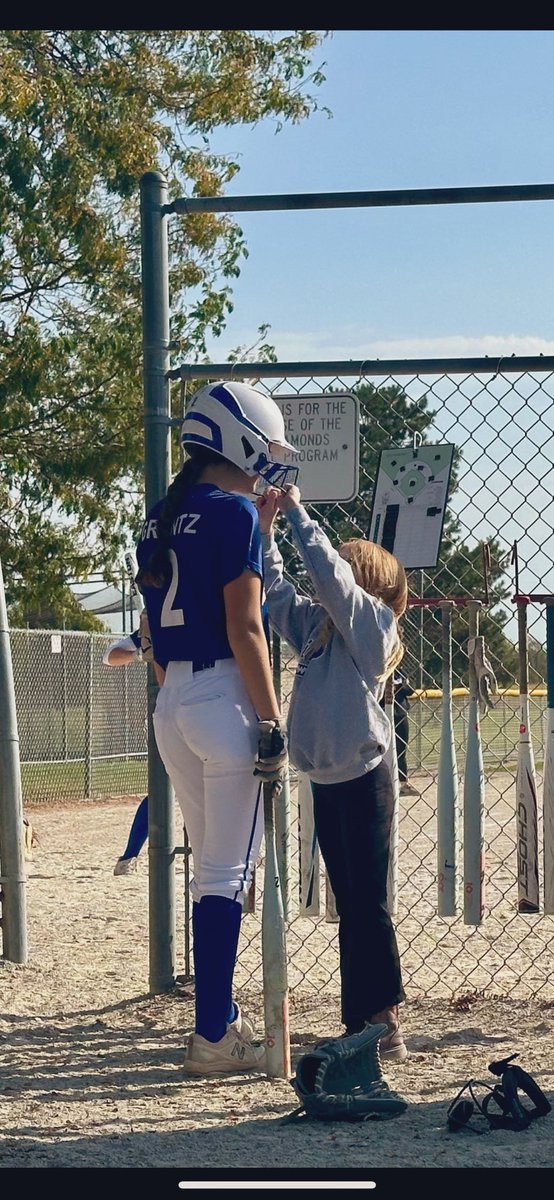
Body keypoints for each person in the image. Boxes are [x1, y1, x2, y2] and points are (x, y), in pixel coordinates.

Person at [135, 379, 298, 1076]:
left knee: (212, 869)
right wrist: (270, 719)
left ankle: (220, 1018)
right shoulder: (232, 513)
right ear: (239, 440)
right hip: (224, 698)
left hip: (173, 700)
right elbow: (245, 627)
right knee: (225, 876)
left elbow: (152, 626)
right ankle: (212, 1034)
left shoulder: (159, 516)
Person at [258, 483, 409, 1064]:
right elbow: (276, 596)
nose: (332, 575)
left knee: (368, 900)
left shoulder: (372, 626)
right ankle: (359, 1021)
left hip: (365, 774)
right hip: (325, 778)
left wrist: (298, 512)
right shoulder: (320, 630)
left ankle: (385, 1018)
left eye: (347, 567)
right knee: (349, 900)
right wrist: (267, 532)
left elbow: (331, 580)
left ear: (362, 580)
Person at [102, 613, 165, 876]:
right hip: (168, 715)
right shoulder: (161, 623)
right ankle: (129, 856)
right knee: (161, 790)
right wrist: (143, 653)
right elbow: (110, 655)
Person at [393, 672, 418, 797]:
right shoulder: (378, 668)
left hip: (400, 714)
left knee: (401, 749)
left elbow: (410, 690)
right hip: (383, 714)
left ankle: (403, 783)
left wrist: (401, 686)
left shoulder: (400, 673)